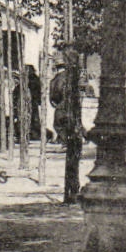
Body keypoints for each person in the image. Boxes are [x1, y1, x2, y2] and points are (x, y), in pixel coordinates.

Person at [49, 58, 83, 203]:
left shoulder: (56, 79)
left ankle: (64, 141)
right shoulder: (73, 78)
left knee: (59, 125)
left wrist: (57, 103)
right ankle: (73, 189)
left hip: (61, 108)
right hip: (73, 111)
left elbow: (53, 96)